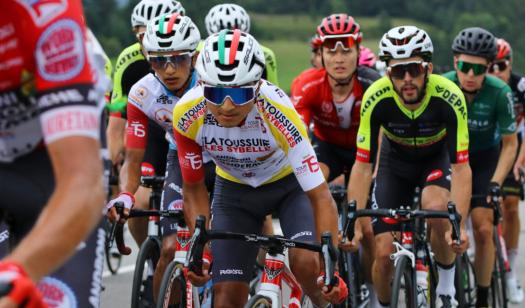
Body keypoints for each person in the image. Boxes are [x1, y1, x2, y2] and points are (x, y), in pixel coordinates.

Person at [172, 29, 347, 307]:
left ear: (257, 86)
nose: (226, 106)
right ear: (201, 84)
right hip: (234, 193)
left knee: (307, 265)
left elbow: (320, 195)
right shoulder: (186, 113)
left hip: (289, 188)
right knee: (226, 297)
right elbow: (192, 187)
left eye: (240, 94)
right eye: (215, 93)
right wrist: (201, 248)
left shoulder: (278, 110)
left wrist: (331, 271)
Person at [348, 25, 472, 308]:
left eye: (413, 70)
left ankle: (446, 290)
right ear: (387, 71)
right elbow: (363, 166)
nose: (406, 79)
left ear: (428, 69)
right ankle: (383, 302)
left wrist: (460, 226)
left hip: (435, 160)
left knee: (438, 209)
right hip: (396, 165)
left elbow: (462, 167)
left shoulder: (449, 96)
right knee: (382, 254)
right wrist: (353, 222)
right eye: (397, 71)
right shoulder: (376, 97)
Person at [0, 1, 106, 307]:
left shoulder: (49, 12)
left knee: (64, 297)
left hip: (54, 158)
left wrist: (19, 272)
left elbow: (81, 183)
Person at [105, 13, 202, 300]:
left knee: (216, 248)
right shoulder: (143, 92)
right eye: (159, 60)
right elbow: (133, 158)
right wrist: (125, 196)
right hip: (180, 159)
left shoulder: (209, 85)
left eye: (178, 59)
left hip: (224, 165)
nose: (169, 69)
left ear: (194, 58)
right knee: (171, 249)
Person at [290, 13, 380, 300]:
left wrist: (374, 173)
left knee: (364, 227)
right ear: (321, 54)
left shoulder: (372, 85)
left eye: (346, 50)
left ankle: (373, 287)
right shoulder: (307, 85)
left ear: (357, 52)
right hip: (328, 149)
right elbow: (298, 136)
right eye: (332, 50)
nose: (339, 58)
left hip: (365, 154)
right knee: (309, 187)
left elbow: (383, 137)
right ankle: (325, 272)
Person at [443, 27, 518, 308]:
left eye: (479, 69)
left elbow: (510, 144)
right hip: (452, 158)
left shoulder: (500, 92)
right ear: (455, 64)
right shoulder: (443, 86)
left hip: (485, 159)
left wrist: (497, 182)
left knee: (483, 228)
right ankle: (445, 282)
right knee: (442, 222)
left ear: (489, 67)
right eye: (464, 67)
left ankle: (484, 296)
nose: (471, 76)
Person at [107, 0, 185, 247]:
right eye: (143, 35)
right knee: (139, 201)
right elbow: (117, 120)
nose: (151, 41)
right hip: (151, 132)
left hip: (192, 138)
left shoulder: (196, 56)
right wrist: (110, 162)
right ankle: (149, 256)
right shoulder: (129, 61)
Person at [487, 37, 525, 304]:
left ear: (511, 64)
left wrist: (520, 161)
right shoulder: (479, 87)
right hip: (485, 149)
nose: (496, 71)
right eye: (491, 66)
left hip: (511, 149)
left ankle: (511, 272)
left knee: (511, 205)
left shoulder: (522, 86)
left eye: (502, 65)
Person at [203, 3, 279, 86]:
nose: (229, 35)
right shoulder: (266, 53)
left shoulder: (201, 49)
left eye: (234, 29)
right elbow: (273, 87)